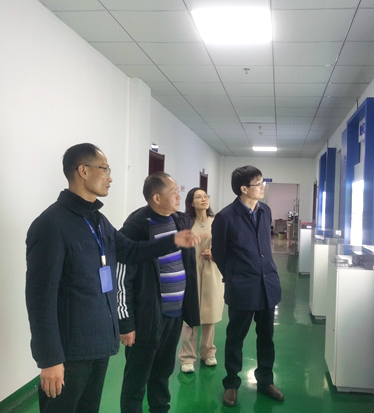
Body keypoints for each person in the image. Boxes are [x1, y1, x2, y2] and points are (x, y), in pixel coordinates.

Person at [25, 143, 200, 413]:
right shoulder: (51, 224)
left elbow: (131, 251)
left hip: (98, 344)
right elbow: (40, 299)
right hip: (70, 350)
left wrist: (173, 241)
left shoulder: (97, 220)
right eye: (105, 169)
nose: (110, 177)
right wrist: (49, 359)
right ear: (83, 171)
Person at [117, 172, 200, 413]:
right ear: (156, 197)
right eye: (173, 192)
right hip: (147, 316)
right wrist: (126, 323)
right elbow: (122, 278)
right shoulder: (136, 227)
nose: (179, 196)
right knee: (136, 380)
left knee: (163, 374)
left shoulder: (180, 221)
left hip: (174, 314)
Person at [212, 165, 284, 407]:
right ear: (244, 189)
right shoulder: (225, 217)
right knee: (235, 338)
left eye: (263, 182)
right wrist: (234, 276)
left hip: (267, 285)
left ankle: (265, 381)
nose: (263, 187)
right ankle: (231, 384)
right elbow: (219, 254)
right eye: (259, 183)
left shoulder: (265, 210)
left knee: (266, 338)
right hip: (242, 287)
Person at [178, 188, 225, 373]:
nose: (204, 199)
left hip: (211, 271)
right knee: (190, 315)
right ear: (191, 202)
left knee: (209, 314)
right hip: (190, 271)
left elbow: (226, 245)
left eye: (205, 196)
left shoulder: (216, 222)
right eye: (199, 197)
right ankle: (187, 357)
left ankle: (208, 352)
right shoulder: (185, 223)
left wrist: (214, 253)